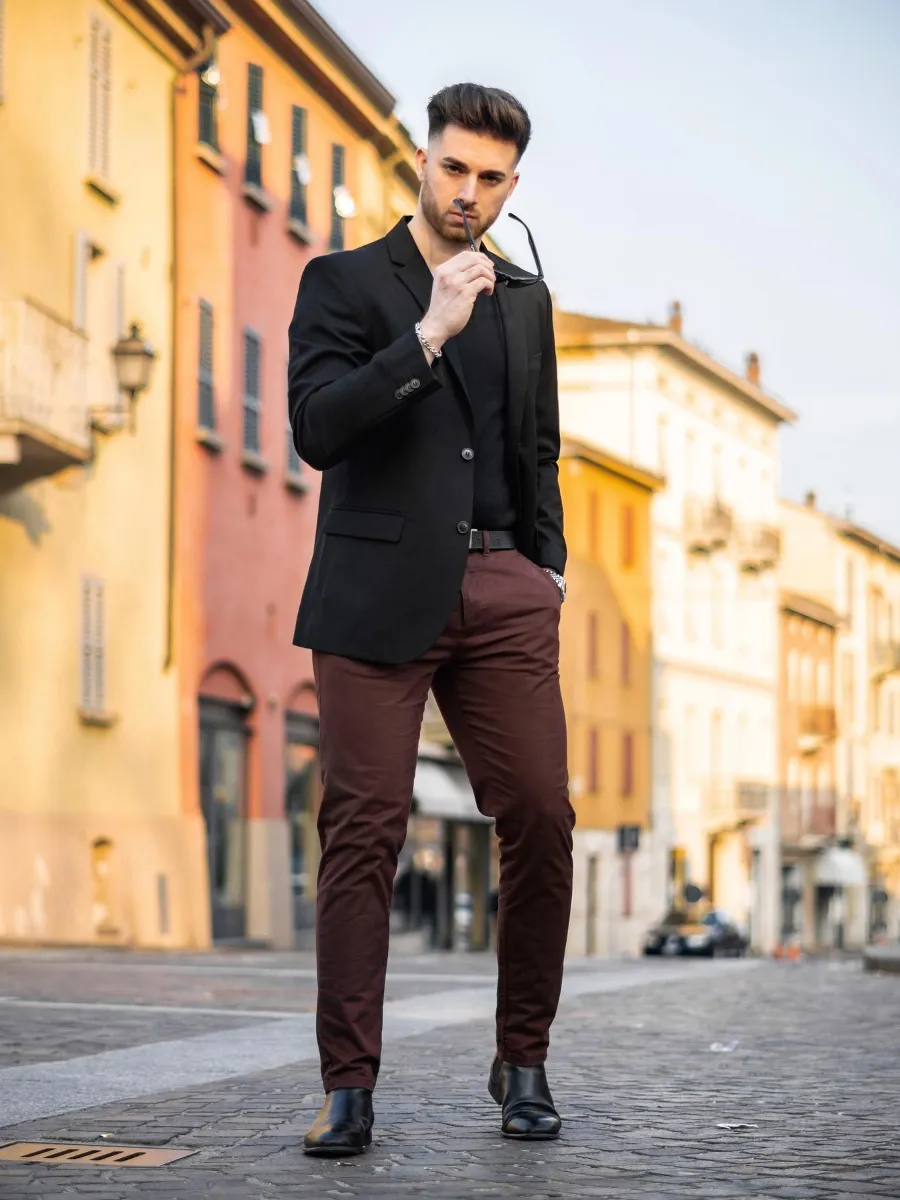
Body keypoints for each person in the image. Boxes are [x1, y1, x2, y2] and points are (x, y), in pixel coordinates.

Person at [288, 82, 574, 1157]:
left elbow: (536, 445)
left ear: (512, 184)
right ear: (423, 159)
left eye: (491, 178)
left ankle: (524, 1057)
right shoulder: (345, 282)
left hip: (504, 590)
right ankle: (348, 1085)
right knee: (364, 828)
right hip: (372, 593)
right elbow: (318, 428)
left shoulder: (529, 299)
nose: (469, 194)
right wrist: (426, 335)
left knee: (542, 814)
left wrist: (546, 568)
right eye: (454, 169)